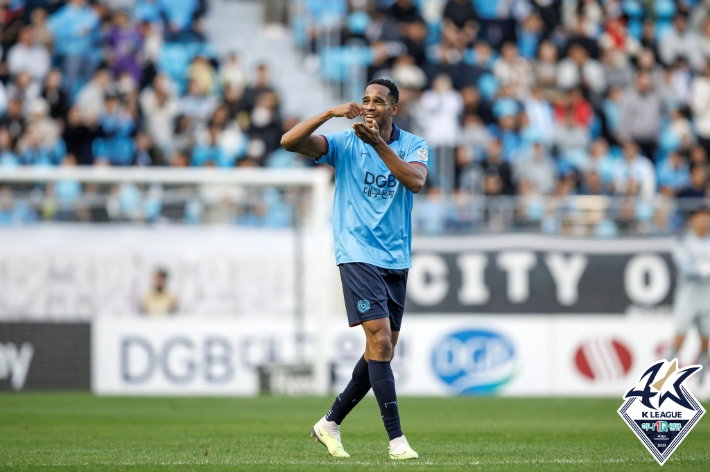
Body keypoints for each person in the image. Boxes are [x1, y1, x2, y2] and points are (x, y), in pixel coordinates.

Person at [281, 79, 427, 460]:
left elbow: (414, 181)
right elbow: (289, 142)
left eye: (378, 101)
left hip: (395, 258)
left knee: (382, 350)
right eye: (365, 100)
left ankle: (329, 423)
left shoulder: (413, 145)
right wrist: (330, 113)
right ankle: (396, 442)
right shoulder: (345, 143)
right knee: (379, 341)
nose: (370, 105)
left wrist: (377, 143)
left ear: (394, 108)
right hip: (356, 251)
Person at [667, 206, 710, 401]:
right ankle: (663, 381)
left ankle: (702, 381)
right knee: (678, 340)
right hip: (688, 298)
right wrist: (704, 269)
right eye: (701, 218)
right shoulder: (684, 242)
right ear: (693, 220)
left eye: (707, 218)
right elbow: (687, 269)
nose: (704, 222)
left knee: (705, 343)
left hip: (707, 298)